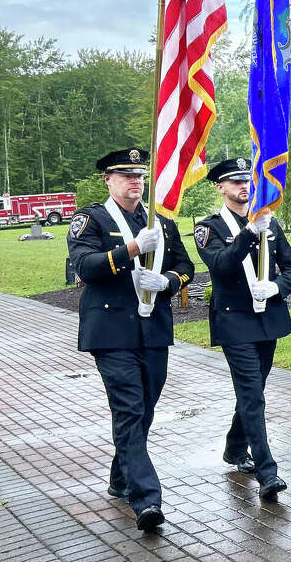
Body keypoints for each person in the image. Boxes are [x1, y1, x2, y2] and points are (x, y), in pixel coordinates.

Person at [66, 148, 193, 532]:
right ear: (108, 179)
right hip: (111, 331)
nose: (135, 182)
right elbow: (85, 265)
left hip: (153, 330)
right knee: (130, 410)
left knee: (145, 409)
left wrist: (168, 282)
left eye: (139, 176)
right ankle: (146, 499)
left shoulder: (160, 221)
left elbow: (184, 266)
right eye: (125, 176)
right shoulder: (91, 218)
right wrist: (132, 249)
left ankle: (120, 475)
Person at [193, 158, 291, 501]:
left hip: (266, 319)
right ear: (220, 188)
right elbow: (222, 266)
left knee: (253, 390)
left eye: (247, 181)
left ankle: (235, 447)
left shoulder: (270, 222)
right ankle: (268, 471)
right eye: (235, 182)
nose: (244, 187)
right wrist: (249, 233)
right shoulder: (208, 228)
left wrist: (277, 287)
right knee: (254, 394)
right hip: (234, 320)